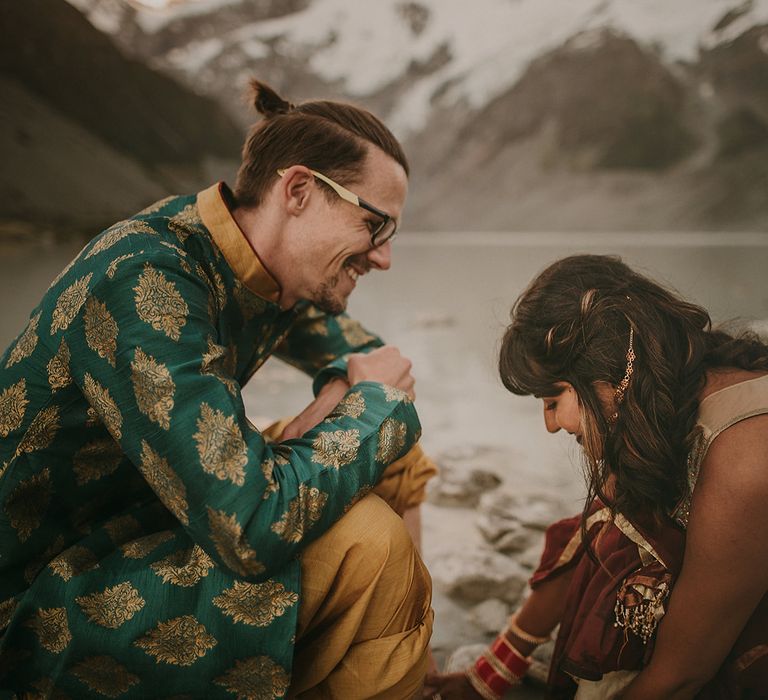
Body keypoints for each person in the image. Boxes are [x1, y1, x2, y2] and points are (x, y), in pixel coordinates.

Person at [0, 80, 437, 698]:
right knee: (367, 536)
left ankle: (411, 665)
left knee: (390, 449)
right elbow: (248, 529)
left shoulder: (269, 264)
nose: (384, 256)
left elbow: (371, 358)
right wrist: (362, 406)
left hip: (146, 522)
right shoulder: (147, 277)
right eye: (376, 225)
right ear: (300, 191)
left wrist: (348, 396)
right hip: (39, 592)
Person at [424, 254, 768, 699]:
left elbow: (681, 675)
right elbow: (593, 540)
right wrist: (489, 676)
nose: (549, 425)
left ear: (612, 377)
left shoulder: (746, 453)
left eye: (553, 399)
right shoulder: (657, 407)